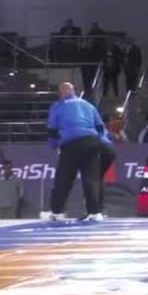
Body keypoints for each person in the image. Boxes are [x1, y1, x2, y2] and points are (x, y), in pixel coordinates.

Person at [43, 82, 108, 222]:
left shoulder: (57, 106)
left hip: (71, 143)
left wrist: (54, 146)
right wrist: (100, 141)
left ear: (61, 93)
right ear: (73, 91)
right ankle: (95, 212)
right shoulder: (88, 105)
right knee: (91, 179)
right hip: (92, 141)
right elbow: (100, 126)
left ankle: (56, 212)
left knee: (63, 179)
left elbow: (52, 129)